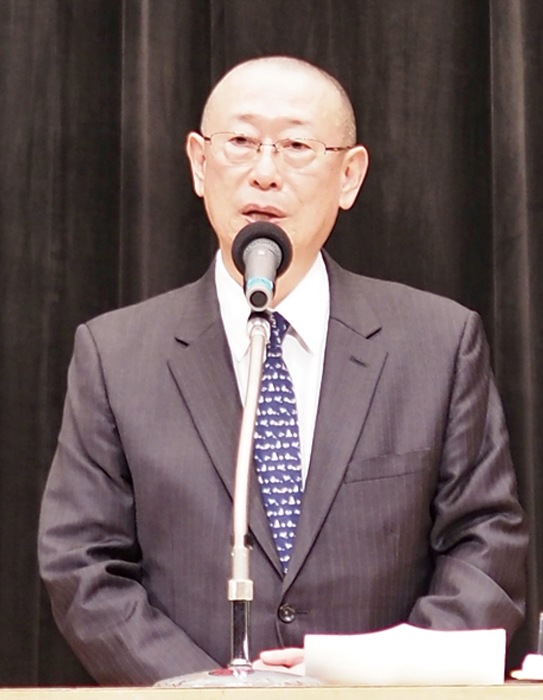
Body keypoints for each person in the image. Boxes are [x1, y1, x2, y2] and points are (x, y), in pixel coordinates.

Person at [38, 55, 528, 686]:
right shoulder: (115, 354)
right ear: (199, 163)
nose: (264, 173)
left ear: (349, 176)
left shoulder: (438, 343)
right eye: (241, 142)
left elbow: (485, 544)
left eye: (296, 146)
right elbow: (83, 567)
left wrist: (373, 682)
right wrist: (212, 695)